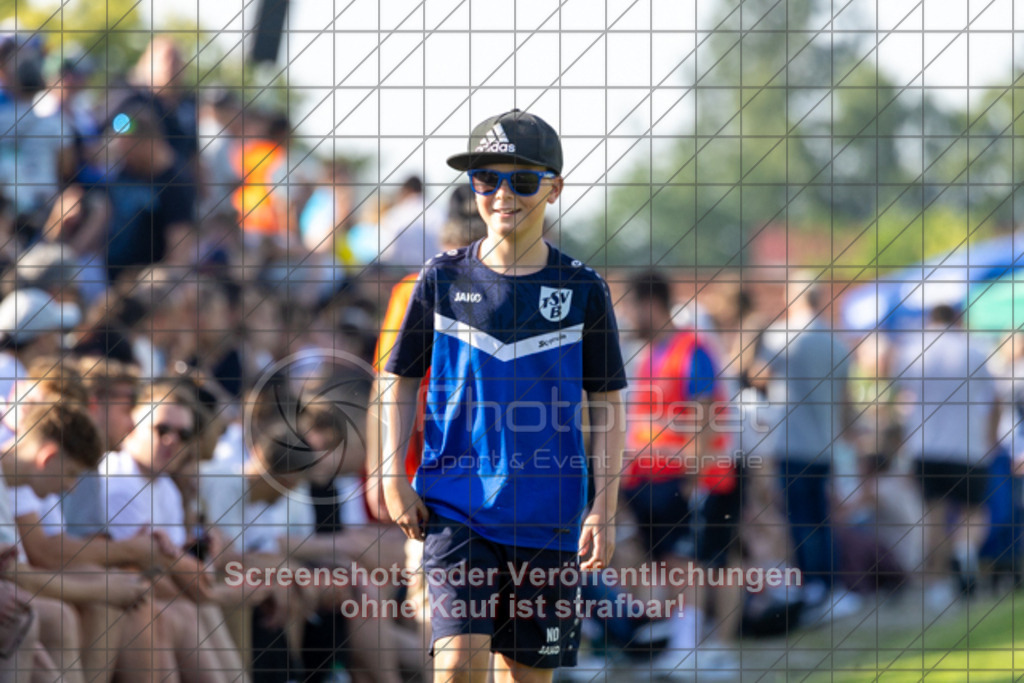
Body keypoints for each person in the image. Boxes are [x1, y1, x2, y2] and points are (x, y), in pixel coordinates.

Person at [381, 109, 628, 683]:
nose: (501, 194)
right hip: (454, 507)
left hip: (550, 517)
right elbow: (398, 383)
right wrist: (391, 475)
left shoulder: (583, 290)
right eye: (486, 179)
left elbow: (607, 406)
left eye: (521, 180)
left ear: (555, 187)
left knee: (524, 677)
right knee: (458, 663)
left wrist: (605, 508)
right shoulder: (440, 280)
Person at [753, 277, 860, 622]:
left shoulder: (780, 336)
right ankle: (830, 587)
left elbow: (756, 376)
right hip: (825, 445)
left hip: (792, 444)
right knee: (823, 518)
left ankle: (812, 586)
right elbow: (846, 402)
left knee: (801, 521)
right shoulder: (837, 343)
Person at [892, 304, 1001, 604]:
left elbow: (902, 398)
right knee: (974, 511)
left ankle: (939, 585)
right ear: (958, 320)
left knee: (935, 517)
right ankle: (964, 551)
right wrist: (991, 437)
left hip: (925, 446)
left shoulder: (912, 350)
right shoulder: (974, 349)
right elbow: (994, 397)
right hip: (968, 445)